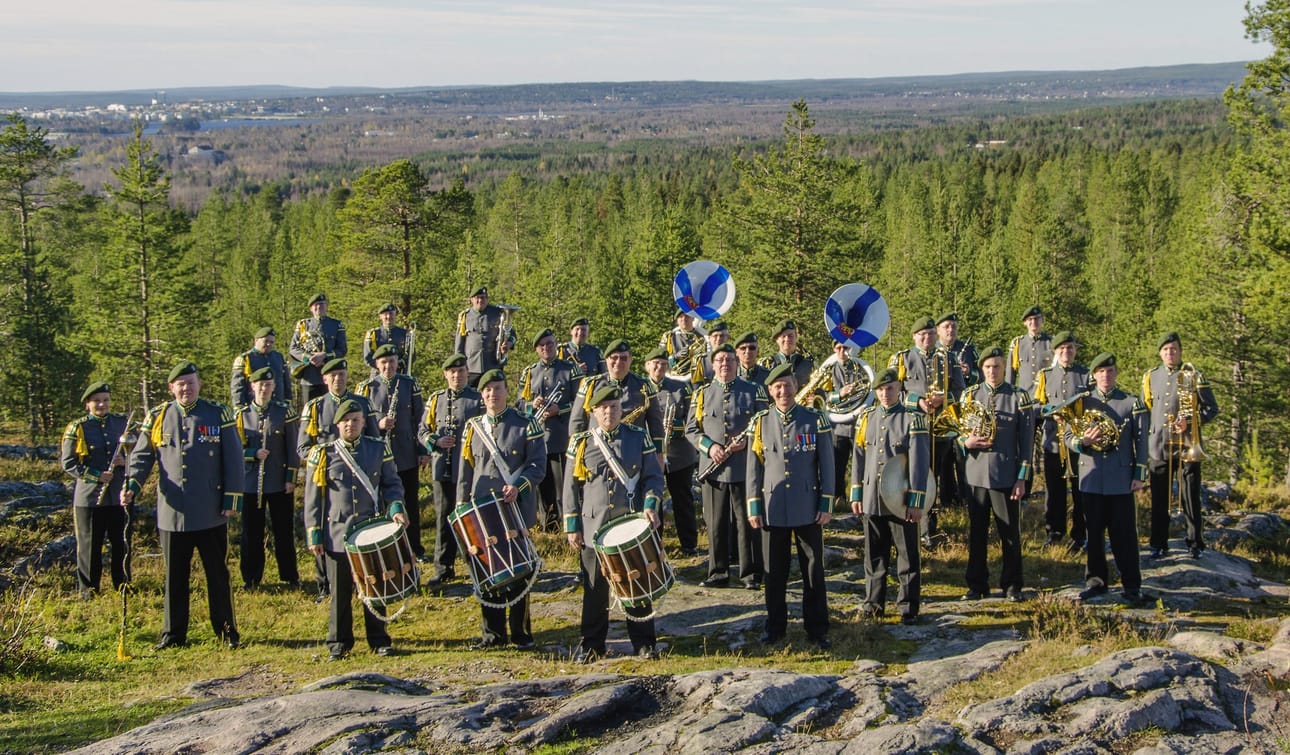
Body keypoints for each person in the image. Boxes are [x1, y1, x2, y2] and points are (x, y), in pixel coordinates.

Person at [122, 362, 242, 649]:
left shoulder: (218, 413)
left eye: (190, 382)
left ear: (198, 384)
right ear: (171, 388)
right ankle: (173, 635)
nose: (186, 388)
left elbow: (234, 459)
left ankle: (227, 632)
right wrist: (132, 487)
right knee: (175, 578)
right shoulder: (158, 416)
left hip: (210, 511)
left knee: (217, 575)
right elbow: (141, 458)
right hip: (172, 513)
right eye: (180, 384)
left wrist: (232, 499)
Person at [563, 385, 666, 662]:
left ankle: (644, 643)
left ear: (622, 410)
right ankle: (592, 645)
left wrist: (650, 505)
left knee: (637, 585)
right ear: (594, 411)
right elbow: (570, 488)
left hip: (628, 525)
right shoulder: (581, 442)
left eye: (614, 407)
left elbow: (653, 478)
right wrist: (572, 525)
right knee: (594, 589)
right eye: (603, 408)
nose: (609, 412)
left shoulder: (638, 437)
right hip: (593, 526)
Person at [304, 399, 406, 660]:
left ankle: (379, 639)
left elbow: (392, 484)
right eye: (346, 420)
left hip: (370, 530)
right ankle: (338, 643)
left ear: (363, 422)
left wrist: (395, 508)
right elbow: (313, 498)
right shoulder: (323, 453)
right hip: (337, 533)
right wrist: (314, 532)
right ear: (338, 424)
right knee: (339, 593)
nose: (351, 424)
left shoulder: (378, 448)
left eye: (356, 420)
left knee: (375, 588)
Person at [455, 369, 546, 649]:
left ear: (507, 392)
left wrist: (520, 485)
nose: (493, 394)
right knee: (487, 570)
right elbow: (466, 469)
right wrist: (460, 503)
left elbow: (537, 465)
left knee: (521, 570)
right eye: (487, 390)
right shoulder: (473, 427)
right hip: (483, 509)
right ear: (482, 396)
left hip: (514, 506)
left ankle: (521, 633)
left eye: (498, 388)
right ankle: (492, 635)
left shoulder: (525, 424)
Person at [746, 363, 834, 648]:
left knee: (812, 570)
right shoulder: (760, 421)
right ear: (770, 391)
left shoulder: (814, 419)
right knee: (774, 573)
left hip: (807, 505)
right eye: (777, 387)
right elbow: (753, 469)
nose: (783, 391)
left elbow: (827, 466)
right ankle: (775, 627)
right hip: (772, 507)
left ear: (796, 386)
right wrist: (753, 505)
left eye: (787, 385)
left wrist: (827, 501)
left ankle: (817, 628)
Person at [1064, 353, 1150, 605]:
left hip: (1120, 477)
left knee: (1124, 534)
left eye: (1110, 371)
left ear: (1116, 373)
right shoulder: (1083, 402)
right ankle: (1096, 582)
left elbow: (1141, 441)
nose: (1106, 375)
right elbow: (1068, 435)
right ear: (1094, 375)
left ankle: (1131, 585)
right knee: (1093, 534)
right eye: (1101, 372)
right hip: (1091, 476)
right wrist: (1083, 442)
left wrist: (1139, 474)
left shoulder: (1131, 402)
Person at [850, 368, 930, 625]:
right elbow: (859, 459)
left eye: (890, 388)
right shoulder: (866, 418)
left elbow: (919, 465)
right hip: (873, 497)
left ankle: (908, 606)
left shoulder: (912, 420)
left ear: (899, 389)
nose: (885, 394)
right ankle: (873, 603)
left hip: (900, 499)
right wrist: (856, 493)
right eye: (881, 390)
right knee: (874, 555)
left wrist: (916, 501)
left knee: (907, 555)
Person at [686, 343, 769, 589]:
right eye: (720, 360)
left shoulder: (753, 390)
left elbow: (765, 424)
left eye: (729, 360)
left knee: (747, 523)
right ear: (713, 365)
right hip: (714, 468)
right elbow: (691, 430)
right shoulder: (702, 394)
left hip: (745, 467)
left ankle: (751, 574)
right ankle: (718, 572)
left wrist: (748, 440)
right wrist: (710, 447)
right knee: (716, 523)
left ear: (736, 363)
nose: (725, 364)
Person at [298, 358, 381, 601]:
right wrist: (320, 459)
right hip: (328, 478)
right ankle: (327, 586)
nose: (338, 379)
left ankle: (365, 585)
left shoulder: (363, 403)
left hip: (361, 479)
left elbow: (375, 439)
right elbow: (303, 447)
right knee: (329, 535)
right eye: (332, 376)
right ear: (324, 379)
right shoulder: (314, 407)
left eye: (342, 374)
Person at [958, 347, 1035, 602]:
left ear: (1005, 368)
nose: (992, 371)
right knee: (977, 533)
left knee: (1009, 533)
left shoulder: (1019, 397)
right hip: (976, 475)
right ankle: (976, 584)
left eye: (997, 367)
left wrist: (1022, 478)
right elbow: (956, 431)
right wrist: (965, 443)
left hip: (1006, 475)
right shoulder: (970, 395)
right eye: (988, 367)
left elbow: (1026, 442)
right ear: (982, 369)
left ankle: (1012, 585)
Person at [1143, 332, 1220, 559]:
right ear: (1160, 353)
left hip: (1187, 444)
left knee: (1190, 496)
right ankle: (1158, 543)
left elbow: (1211, 408)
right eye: (1166, 350)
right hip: (1159, 444)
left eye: (1174, 349)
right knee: (1159, 498)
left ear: (1180, 351)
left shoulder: (1192, 375)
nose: (1170, 353)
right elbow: (1149, 408)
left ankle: (1195, 543)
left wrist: (1191, 422)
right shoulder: (1151, 376)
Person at [889, 316, 963, 544]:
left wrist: (944, 400)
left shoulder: (949, 358)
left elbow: (961, 390)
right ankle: (908, 525)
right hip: (912, 426)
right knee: (912, 475)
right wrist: (917, 402)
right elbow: (891, 392)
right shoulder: (902, 358)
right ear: (914, 336)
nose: (927, 338)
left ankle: (929, 527)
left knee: (934, 477)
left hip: (940, 426)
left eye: (931, 334)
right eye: (922, 334)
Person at [418, 354, 484, 585]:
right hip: (441, 468)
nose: (457, 376)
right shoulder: (436, 399)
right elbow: (423, 430)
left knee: (469, 518)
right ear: (446, 374)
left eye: (461, 371)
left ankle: (476, 564)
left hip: (469, 469)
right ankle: (443, 567)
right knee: (443, 519)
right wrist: (435, 441)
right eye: (452, 372)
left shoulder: (477, 399)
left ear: (467, 372)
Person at [358, 345, 429, 560]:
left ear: (397, 362)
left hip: (406, 453)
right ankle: (390, 550)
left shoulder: (408, 384)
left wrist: (422, 449)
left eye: (391, 362)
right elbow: (360, 422)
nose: (388, 366)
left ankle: (415, 549)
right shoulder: (367, 387)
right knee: (382, 503)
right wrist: (379, 424)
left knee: (411, 503)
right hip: (379, 456)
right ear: (376, 365)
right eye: (383, 362)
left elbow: (420, 419)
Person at [61, 382, 131, 597]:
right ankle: (89, 591)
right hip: (90, 498)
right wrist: (96, 476)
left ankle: (123, 586)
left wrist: (125, 460)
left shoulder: (122, 423)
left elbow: (141, 455)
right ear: (87, 404)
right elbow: (68, 463)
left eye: (106, 400)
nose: (102, 404)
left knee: (122, 543)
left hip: (118, 495)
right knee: (90, 547)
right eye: (97, 401)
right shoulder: (78, 427)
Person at [236, 367, 301, 590]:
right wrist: (251, 454)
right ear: (252, 387)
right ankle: (251, 578)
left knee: (283, 531)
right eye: (260, 385)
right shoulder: (241, 415)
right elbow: (235, 449)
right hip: (251, 484)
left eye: (268, 385)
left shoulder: (284, 412)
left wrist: (291, 477)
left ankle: (289, 576)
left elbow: (293, 448)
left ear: (274, 387)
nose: (264, 389)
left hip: (278, 482)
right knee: (251, 533)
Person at [518, 328, 583, 532]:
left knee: (564, 486)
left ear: (556, 345)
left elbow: (582, 403)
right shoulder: (530, 372)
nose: (546, 348)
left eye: (550, 344)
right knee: (542, 487)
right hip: (538, 439)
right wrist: (531, 404)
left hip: (562, 436)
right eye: (542, 345)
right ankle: (549, 528)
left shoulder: (570, 369)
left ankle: (569, 527)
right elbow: (519, 403)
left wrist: (560, 409)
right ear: (537, 349)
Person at [1033, 331, 1089, 550]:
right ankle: (1054, 533)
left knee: (1080, 491)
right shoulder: (1045, 375)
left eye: (1071, 348)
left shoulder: (1085, 375)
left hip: (1078, 443)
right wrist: (1050, 411)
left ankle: (1079, 534)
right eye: (1062, 349)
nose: (1067, 352)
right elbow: (1036, 407)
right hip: (1053, 442)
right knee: (1054, 492)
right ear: (1056, 352)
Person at [643, 347, 700, 555]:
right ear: (647, 366)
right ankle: (654, 544)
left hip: (678, 452)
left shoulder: (680, 387)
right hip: (650, 454)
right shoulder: (640, 388)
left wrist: (675, 428)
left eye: (663, 364)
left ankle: (689, 543)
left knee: (682, 498)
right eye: (655, 364)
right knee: (652, 497)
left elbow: (692, 417)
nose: (659, 367)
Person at [569, 339, 665, 453]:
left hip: (633, 452)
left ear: (630, 360)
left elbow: (656, 428)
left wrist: (659, 458)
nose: (618, 362)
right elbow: (577, 423)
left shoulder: (644, 386)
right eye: (614, 358)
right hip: (597, 451)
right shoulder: (590, 384)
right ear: (606, 360)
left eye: (623, 358)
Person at [823, 341, 870, 513]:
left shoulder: (862, 368)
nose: (842, 351)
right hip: (837, 424)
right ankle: (838, 500)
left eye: (846, 348)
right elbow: (821, 394)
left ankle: (861, 498)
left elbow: (871, 389)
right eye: (838, 348)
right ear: (834, 349)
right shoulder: (829, 370)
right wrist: (839, 394)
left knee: (861, 463)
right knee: (837, 464)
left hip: (858, 423)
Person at [289, 293, 347, 403]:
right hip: (309, 377)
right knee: (309, 410)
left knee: (329, 410)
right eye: (315, 305)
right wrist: (310, 357)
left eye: (322, 304)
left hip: (330, 376)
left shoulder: (337, 325)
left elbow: (342, 349)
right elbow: (293, 348)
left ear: (326, 306)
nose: (319, 307)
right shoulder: (303, 325)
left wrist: (324, 356)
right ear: (311, 308)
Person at [454, 286, 516, 386]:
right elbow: (459, 344)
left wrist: (508, 343)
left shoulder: (498, 313)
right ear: (471, 299)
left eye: (483, 297)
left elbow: (512, 335)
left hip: (493, 365)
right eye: (477, 298)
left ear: (487, 299)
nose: (480, 300)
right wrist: (459, 365)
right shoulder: (465, 316)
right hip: (472, 367)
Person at [231, 327, 291, 408]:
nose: (269, 344)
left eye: (271, 342)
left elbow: (286, 381)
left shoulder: (278, 357)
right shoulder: (245, 359)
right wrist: (239, 406)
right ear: (256, 340)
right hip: (254, 408)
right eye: (266, 341)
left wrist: (288, 400)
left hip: (278, 406)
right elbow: (238, 386)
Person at [1006, 306, 1053, 394]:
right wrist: (1009, 396)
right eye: (1030, 319)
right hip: (1024, 396)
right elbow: (1010, 374)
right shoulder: (1017, 344)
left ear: (1042, 320)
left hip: (1046, 396)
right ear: (1025, 323)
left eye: (1036, 318)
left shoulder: (1052, 343)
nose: (1033, 322)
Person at [758, 319, 813, 386]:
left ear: (796, 337)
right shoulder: (767, 365)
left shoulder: (808, 364)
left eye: (790, 336)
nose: (787, 339)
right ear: (777, 339)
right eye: (783, 336)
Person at [362, 303, 409, 377]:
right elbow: (367, 358)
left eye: (391, 313)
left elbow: (411, 356)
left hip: (399, 374)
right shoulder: (373, 334)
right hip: (378, 376)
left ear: (395, 315)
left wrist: (396, 366)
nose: (388, 316)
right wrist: (383, 367)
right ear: (380, 316)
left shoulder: (404, 333)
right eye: (385, 314)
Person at [659, 309, 706, 380]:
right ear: (677, 320)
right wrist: (675, 357)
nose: (684, 319)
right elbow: (661, 358)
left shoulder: (702, 337)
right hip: (674, 377)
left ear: (693, 318)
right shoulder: (669, 336)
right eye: (680, 317)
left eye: (687, 316)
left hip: (696, 377)